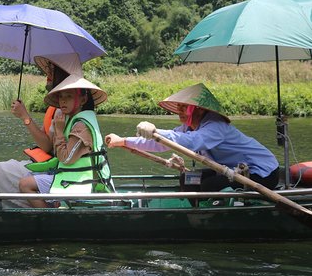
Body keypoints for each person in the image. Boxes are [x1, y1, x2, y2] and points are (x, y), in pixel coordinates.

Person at [106, 83, 280, 193]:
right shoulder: (189, 127)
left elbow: (190, 142)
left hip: (262, 172)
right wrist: (123, 141)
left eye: (184, 108)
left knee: (210, 185)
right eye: (179, 107)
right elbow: (163, 144)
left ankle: (213, 217)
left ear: (199, 109)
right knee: (188, 179)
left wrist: (156, 131)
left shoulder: (215, 126)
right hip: (232, 169)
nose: (180, 112)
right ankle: (196, 214)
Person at [0, 53, 84, 207]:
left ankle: (42, 213)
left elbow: (52, 149)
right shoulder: (58, 108)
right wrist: (25, 117)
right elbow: (46, 144)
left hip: (57, 172)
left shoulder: (70, 113)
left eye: (52, 71)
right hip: (49, 167)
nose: (48, 76)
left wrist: (25, 117)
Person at [19, 74, 113, 207]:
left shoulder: (82, 125)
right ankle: (55, 207)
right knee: (29, 174)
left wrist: (58, 130)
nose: (63, 101)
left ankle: (49, 220)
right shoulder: (70, 119)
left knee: (25, 184)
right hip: (70, 175)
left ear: (83, 99)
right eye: (61, 97)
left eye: (68, 96)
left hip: (83, 181)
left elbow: (66, 158)